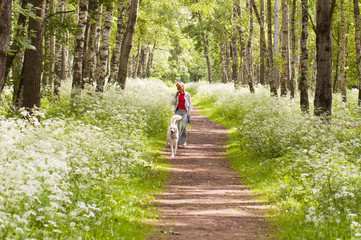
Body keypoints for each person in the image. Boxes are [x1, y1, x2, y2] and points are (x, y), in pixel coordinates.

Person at [171, 82, 193, 147]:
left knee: (183, 127)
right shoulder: (176, 94)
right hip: (177, 111)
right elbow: (172, 103)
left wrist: (189, 112)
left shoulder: (187, 94)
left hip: (184, 112)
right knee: (176, 127)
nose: (179, 90)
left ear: (183, 88)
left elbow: (190, 104)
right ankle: (176, 142)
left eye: (180, 88)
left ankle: (184, 141)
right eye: (178, 89)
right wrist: (175, 97)